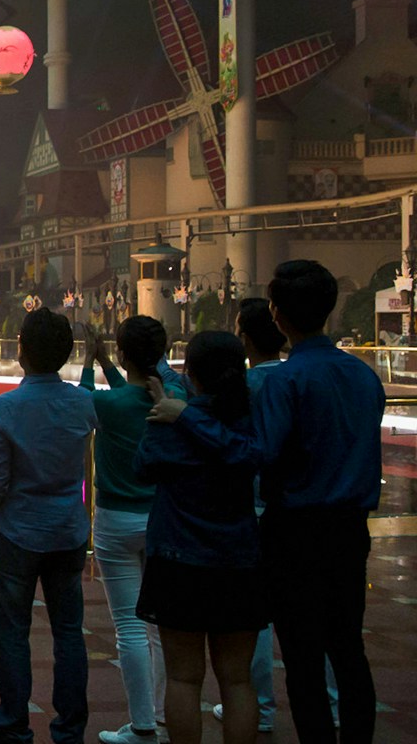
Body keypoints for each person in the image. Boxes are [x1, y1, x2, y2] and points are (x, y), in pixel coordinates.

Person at [152, 261, 381, 743]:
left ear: (276, 314)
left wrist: (185, 418)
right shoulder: (363, 377)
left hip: (295, 532)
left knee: (301, 655)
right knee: (347, 650)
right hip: (350, 531)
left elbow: (254, 454)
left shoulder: (283, 382)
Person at [136, 331, 266, 744]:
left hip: (177, 559)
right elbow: (249, 456)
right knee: (238, 681)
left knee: (184, 678)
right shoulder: (248, 418)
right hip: (237, 557)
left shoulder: (170, 419)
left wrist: (178, 413)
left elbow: (143, 468)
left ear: (190, 373)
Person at [214, 299, 338, 733]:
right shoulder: (302, 378)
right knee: (320, 615)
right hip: (309, 508)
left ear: (245, 338)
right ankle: (335, 704)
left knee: (256, 619)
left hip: (253, 509)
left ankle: (260, 707)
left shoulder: (245, 387)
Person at [0, 308, 97, 744]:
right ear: (65, 353)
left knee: (12, 635)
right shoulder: (84, 403)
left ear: (21, 350)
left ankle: (12, 727)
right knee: (69, 634)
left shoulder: (4, 408)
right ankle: (69, 731)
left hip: (18, 531)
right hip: (68, 531)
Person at [77, 318, 172, 744]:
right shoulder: (171, 397)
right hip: (163, 517)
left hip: (116, 522)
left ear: (123, 352)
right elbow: (128, 393)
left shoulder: (108, 407)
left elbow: (83, 401)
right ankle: (166, 711)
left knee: (129, 628)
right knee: (160, 625)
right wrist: (112, 366)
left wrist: (88, 363)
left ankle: (142, 725)